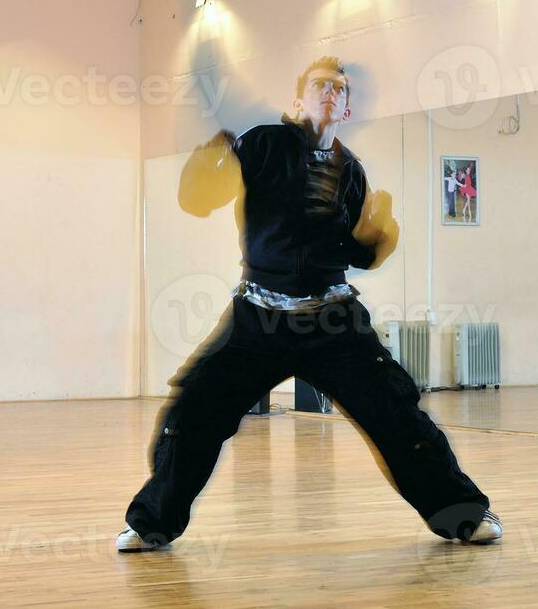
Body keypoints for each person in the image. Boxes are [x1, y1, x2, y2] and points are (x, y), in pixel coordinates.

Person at [117, 56, 500, 554]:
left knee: (398, 416)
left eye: (339, 90)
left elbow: (354, 253)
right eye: (320, 85)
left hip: (334, 321)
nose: (330, 94)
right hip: (259, 318)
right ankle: (153, 523)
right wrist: (208, 159)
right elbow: (197, 200)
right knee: (194, 409)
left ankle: (464, 515)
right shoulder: (263, 144)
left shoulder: (349, 172)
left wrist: (377, 239)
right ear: (297, 101)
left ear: (345, 108)